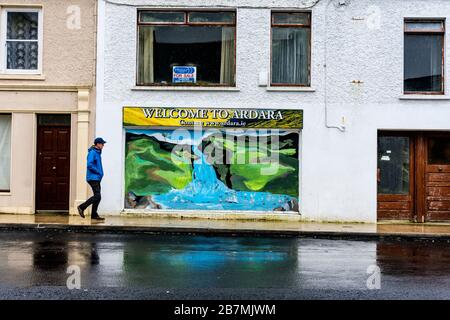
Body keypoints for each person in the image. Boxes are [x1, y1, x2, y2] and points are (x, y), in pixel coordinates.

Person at [77, 137, 107, 220]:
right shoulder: (93, 152)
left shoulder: (97, 152)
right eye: (102, 144)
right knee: (97, 196)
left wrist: (100, 174)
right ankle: (81, 207)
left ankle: (94, 215)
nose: (103, 145)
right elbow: (89, 165)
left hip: (96, 178)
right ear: (97, 144)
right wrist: (98, 172)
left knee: (98, 196)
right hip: (93, 177)